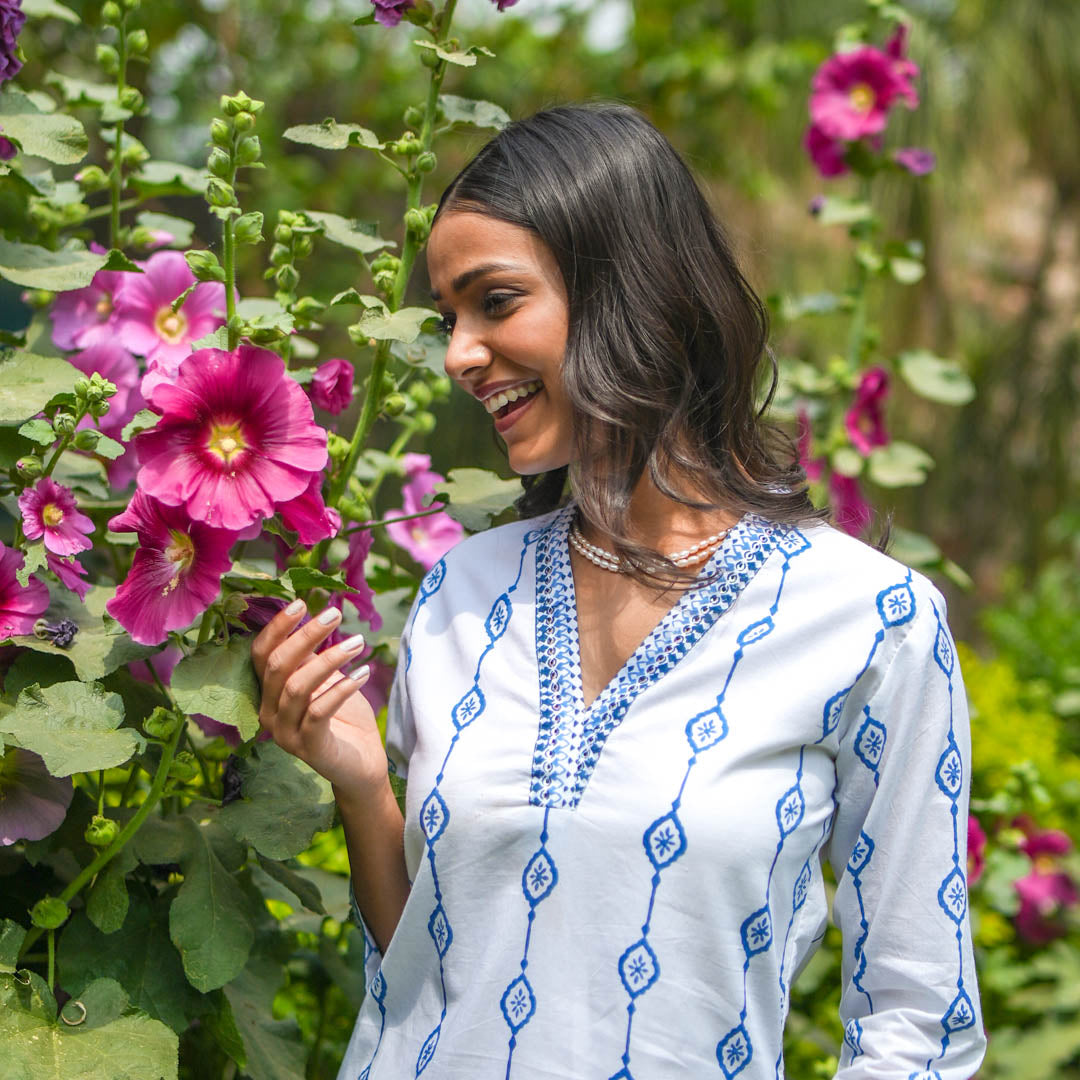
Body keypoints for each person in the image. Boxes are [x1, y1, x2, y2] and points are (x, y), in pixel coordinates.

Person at [252, 104, 985, 1079]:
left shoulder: (870, 620)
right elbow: (427, 970)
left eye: (495, 301)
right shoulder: (460, 596)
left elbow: (919, 1020)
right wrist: (362, 784)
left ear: (627, 290)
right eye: (448, 320)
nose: (461, 353)